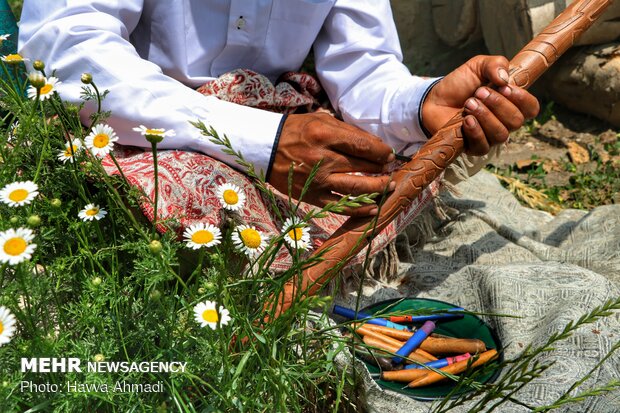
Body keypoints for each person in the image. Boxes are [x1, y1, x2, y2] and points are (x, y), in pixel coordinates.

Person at [18, 0, 538, 216]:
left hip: (277, 124)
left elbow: (363, 72)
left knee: (378, 189)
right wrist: (261, 144)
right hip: (130, 129)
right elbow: (64, 48)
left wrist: (424, 103)